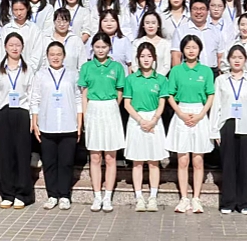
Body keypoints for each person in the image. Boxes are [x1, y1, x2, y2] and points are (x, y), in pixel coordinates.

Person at [209, 46, 247, 215]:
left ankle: (243, 202)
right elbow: (216, 105)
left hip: (246, 124)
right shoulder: (221, 80)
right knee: (228, 165)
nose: (237, 60)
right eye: (233, 57)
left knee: (245, 165)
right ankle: (228, 202)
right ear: (228, 60)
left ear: (245, 60)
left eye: (240, 57)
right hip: (227, 124)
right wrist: (214, 130)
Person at [166, 34, 215, 214]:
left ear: (200, 49)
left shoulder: (206, 71)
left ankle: (196, 198)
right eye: (187, 48)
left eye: (194, 47)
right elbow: (170, 94)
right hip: (182, 113)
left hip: (199, 113)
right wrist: (180, 113)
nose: (191, 51)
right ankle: (184, 198)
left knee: (198, 160)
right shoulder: (176, 71)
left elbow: (210, 95)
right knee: (183, 159)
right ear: (182, 50)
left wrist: (201, 114)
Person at [32, 41, 83, 211]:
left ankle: (65, 195)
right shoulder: (40, 75)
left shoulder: (73, 74)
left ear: (64, 56)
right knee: (49, 162)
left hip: (69, 124)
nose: (55, 57)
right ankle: (52, 195)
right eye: (52, 54)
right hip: (47, 124)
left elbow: (78, 98)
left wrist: (79, 122)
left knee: (66, 163)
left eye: (59, 54)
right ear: (47, 56)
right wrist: (34, 122)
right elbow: (35, 99)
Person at [79, 32, 126, 213]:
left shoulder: (116, 67)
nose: (100, 50)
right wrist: (85, 116)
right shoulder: (87, 67)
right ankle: (97, 195)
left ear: (109, 47)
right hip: (93, 108)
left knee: (110, 156)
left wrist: (112, 106)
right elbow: (84, 93)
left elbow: (120, 91)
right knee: (95, 156)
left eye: (104, 47)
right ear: (92, 48)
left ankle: (108, 196)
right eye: (97, 47)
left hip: (110, 108)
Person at [0, 33, 36, 209]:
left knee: (22, 155)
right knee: (4, 155)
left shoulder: (28, 69)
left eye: (18, 45)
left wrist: (32, 118)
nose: (14, 48)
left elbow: (32, 95)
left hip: (22, 114)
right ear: (5, 47)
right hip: (3, 113)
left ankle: (22, 194)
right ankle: (7, 193)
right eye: (11, 45)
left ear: (22, 47)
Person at [124, 42, 169, 213]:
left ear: (154, 58)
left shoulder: (161, 79)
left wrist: (153, 120)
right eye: (142, 56)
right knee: (137, 162)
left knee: (153, 161)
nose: (146, 59)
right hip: (136, 120)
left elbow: (162, 103)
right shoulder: (131, 79)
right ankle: (139, 197)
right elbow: (127, 104)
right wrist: (141, 120)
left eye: (149, 56)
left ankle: (153, 197)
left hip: (154, 120)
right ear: (137, 59)